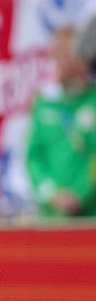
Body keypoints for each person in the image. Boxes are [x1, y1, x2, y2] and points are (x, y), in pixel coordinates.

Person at [26, 26, 96, 217]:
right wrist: (51, 194)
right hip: (52, 217)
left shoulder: (93, 100)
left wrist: (80, 195)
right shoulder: (44, 102)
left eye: (68, 53)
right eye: (58, 54)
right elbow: (34, 157)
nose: (64, 62)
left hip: (90, 215)